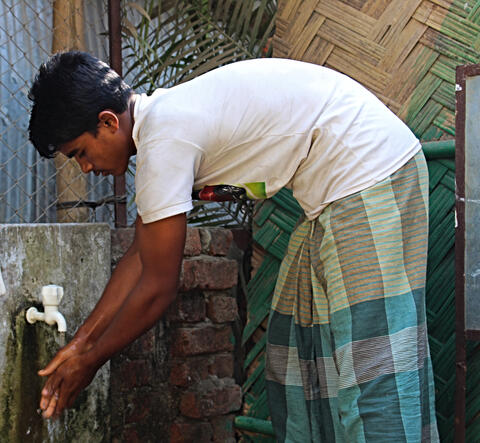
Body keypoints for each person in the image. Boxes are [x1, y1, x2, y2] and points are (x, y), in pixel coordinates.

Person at [28, 51, 439, 442]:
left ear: (108, 122)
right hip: (337, 194)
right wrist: (80, 344)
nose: (85, 167)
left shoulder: (164, 138)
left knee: (373, 366)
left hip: (369, 178)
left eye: (80, 152)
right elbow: (140, 255)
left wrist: (91, 362)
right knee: (302, 352)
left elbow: (157, 287)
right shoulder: (163, 126)